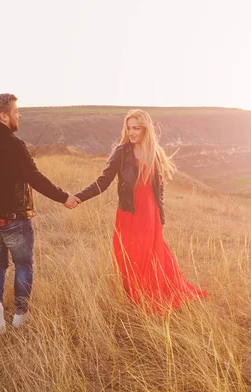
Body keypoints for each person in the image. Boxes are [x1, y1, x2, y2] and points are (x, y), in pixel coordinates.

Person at [73, 109, 207, 314]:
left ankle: (149, 296)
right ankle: (136, 296)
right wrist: (79, 197)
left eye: (136, 128)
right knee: (129, 255)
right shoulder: (121, 152)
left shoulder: (154, 152)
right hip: (129, 212)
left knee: (152, 255)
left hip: (150, 213)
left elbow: (158, 190)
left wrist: (160, 217)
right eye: (129, 128)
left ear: (146, 129)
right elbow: (103, 181)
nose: (132, 132)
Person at [0, 93, 80, 333]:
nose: (20, 115)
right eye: (16, 111)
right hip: (13, 218)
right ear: (4, 116)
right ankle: (20, 314)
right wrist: (64, 198)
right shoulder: (13, 144)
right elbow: (34, 177)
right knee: (23, 263)